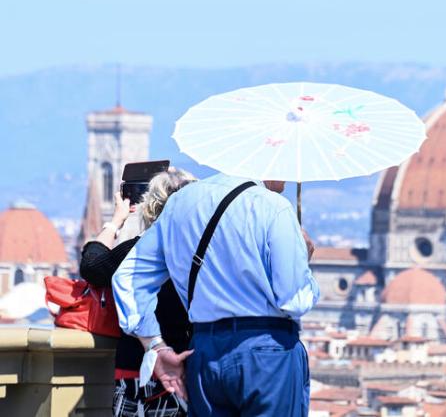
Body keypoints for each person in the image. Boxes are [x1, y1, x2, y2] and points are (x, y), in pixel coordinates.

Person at [112, 173, 320, 417]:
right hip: (267, 353)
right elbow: (295, 300)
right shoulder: (275, 208)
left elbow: (129, 276)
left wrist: (154, 345)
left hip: (205, 352)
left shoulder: (181, 203)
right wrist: (302, 261)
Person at [80, 168, 196, 416]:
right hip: (187, 366)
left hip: (138, 372)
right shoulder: (200, 253)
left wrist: (116, 221)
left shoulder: (140, 252)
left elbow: (92, 267)